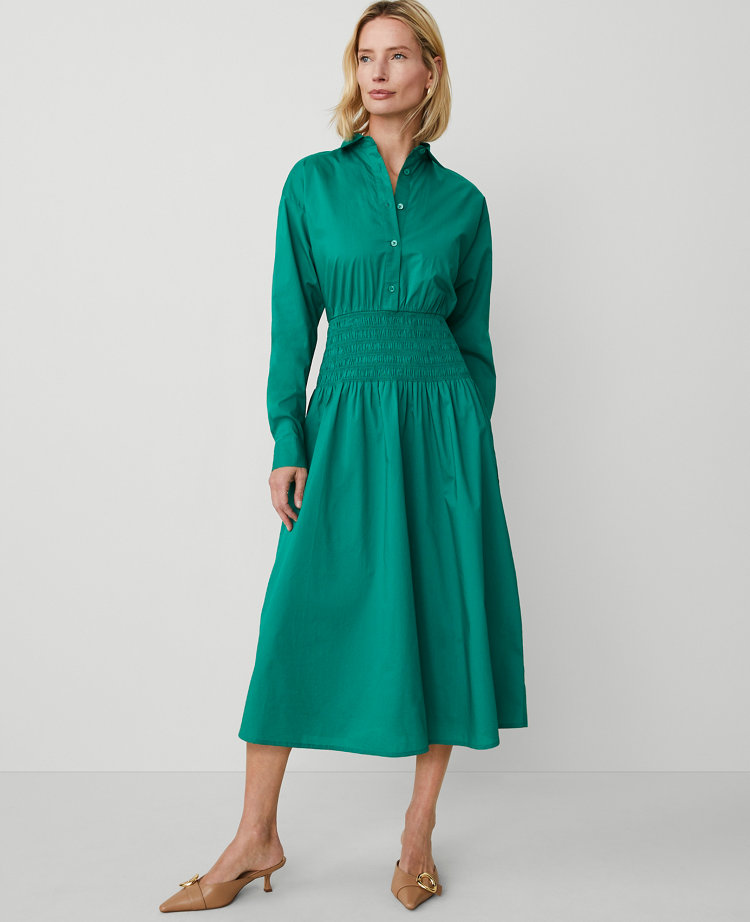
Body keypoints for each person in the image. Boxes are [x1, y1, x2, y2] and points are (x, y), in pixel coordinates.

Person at [159, 0, 528, 913]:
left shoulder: (464, 203)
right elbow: (294, 325)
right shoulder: (312, 184)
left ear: (430, 72)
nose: (379, 72)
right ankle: (256, 835)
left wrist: (466, 439)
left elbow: (474, 341)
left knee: (441, 617)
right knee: (295, 614)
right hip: (347, 415)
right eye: (366, 56)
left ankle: (417, 835)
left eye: (398, 56)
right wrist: (289, 436)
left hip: (442, 427)